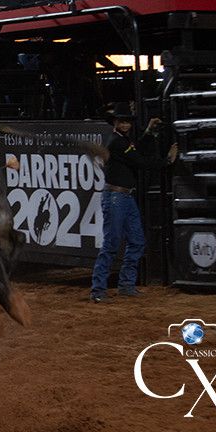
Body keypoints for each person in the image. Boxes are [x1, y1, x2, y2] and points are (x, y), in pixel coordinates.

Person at [90, 103, 178, 303]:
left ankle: (125, 285)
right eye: (122, 121)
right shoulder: (117, 142)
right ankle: (99, 290)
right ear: (115, 122)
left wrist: (148, 132)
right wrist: (166, 161)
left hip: (123, 197)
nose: (126, 125)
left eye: (127, 122)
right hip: (117, 197)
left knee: (136, 241)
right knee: (113, 242)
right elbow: (140, 161)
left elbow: (136, 152)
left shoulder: (120, 141)